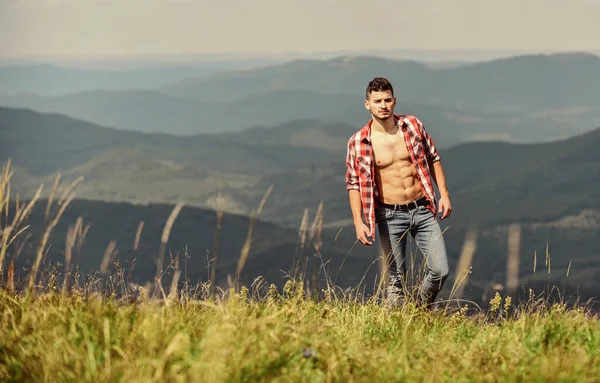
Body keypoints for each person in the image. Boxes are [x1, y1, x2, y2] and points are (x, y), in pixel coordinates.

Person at [345, 77, 452, 307]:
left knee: (440, 270)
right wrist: (358, 221)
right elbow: (353, 183)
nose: (383, 105)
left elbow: (433, 157)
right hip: (389, 216)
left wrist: (443, 194)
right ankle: (398, 328)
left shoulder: (413, 126)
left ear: (395, 101)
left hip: (422, 208)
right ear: (367, 104)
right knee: (396, 283)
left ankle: (420, 309)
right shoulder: (359, 142)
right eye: (377, 101)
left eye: (387, 100)